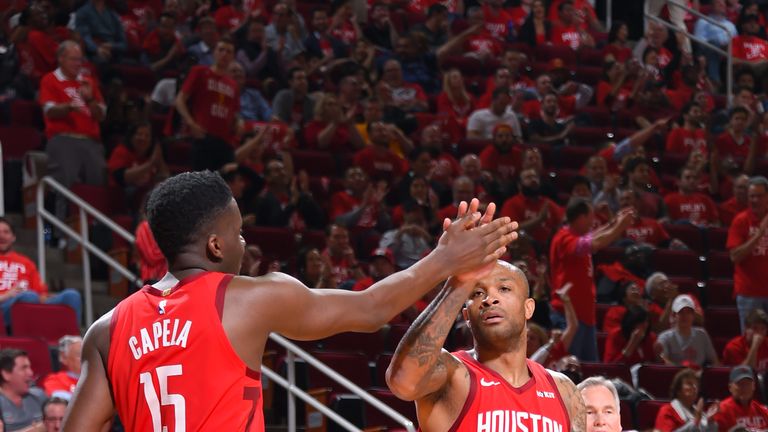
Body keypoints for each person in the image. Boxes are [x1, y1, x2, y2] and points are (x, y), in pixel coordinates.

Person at [62, 172, 517, 431]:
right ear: (217, 246)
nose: (244, 241)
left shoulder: (106, 330)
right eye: (238, 231)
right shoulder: (246, 300)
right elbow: (370, 309)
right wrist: (444, 258)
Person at [386, 258, 585, 432]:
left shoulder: (564, 391)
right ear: (466, 316)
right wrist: (457, 286)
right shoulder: (451, 374)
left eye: (504, 289)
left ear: (528, 308)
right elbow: (403, 382)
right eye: (478, 293)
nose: (490, 299)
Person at [550, 200, 635, 361]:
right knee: (569, 370)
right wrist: (620, 226)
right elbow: (595, 243)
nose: (593, 222)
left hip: (585, 316)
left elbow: (593, 237)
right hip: (569, 316)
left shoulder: (575, 236)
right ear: (581, 218)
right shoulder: (564, 238)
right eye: (591, 217)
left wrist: (613, 222)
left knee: (589, 371)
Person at [39, 40, 106, 228]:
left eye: (80, 59)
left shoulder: (88, 82)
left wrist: (90, 98)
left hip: (91, 142)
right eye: (73, 59)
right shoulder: (50, 79)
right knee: (64, 187)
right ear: (61, 59)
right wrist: (70, 106)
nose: (78, 64)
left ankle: (93, 231)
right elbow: (49, 111)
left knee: (96, 186)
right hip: (63, 139)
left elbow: (101, 115)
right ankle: (61, 233)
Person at [175, 37, 240, 171]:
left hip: (224, 142)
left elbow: (234, 113)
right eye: (221, 50)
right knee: (200, 185)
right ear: (214, 52)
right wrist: (191, 123)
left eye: (229, 51)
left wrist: (240, 123)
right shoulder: (199, 72)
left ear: (233, 57)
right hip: (203, 137)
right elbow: (180, 100)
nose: (224, 54)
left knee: (224, 186)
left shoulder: (233, 84)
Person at [0, 217, 82, 324]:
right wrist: (8, 295)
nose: (1, 236)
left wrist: (47, 297)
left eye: (6, 232)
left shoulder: (26, 263)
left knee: (72, 295)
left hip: (30, 302)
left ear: (13, 237)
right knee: (29, 296)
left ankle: (72, 338)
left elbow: (40, 294)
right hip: (5, 306)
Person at [727, 176, 768, 330]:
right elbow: (735, 257)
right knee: (751, 341)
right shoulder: (741, 221)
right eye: (752, 196)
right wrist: (759, 234)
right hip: (750, 293)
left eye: (760, 196)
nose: (755, 200)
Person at [657, 295, 720, 368]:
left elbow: (714, 361)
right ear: (674, 315)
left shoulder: (702, 334)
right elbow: (663, 360)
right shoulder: (664, 337)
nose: (685, 316)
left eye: (688, 312)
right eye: (681, 312)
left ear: (693, 315)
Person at [0, 349, 46, 431]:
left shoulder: (39, 396)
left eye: (29, 367)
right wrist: (36, 429)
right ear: (6, 374)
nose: (31, 373)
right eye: (23, 368)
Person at [711, 365, 768, 431]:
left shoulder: (761, 410)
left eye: (748, 384)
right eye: (740, 384)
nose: (745, 388)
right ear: (730, 387)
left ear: (754, 386)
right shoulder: (722, 410)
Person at [41, 336, 82, 400]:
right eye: (79, 355)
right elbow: (62, 403)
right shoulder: (55, 380)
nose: (86, 358)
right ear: (64, 358)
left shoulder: (97, 378)